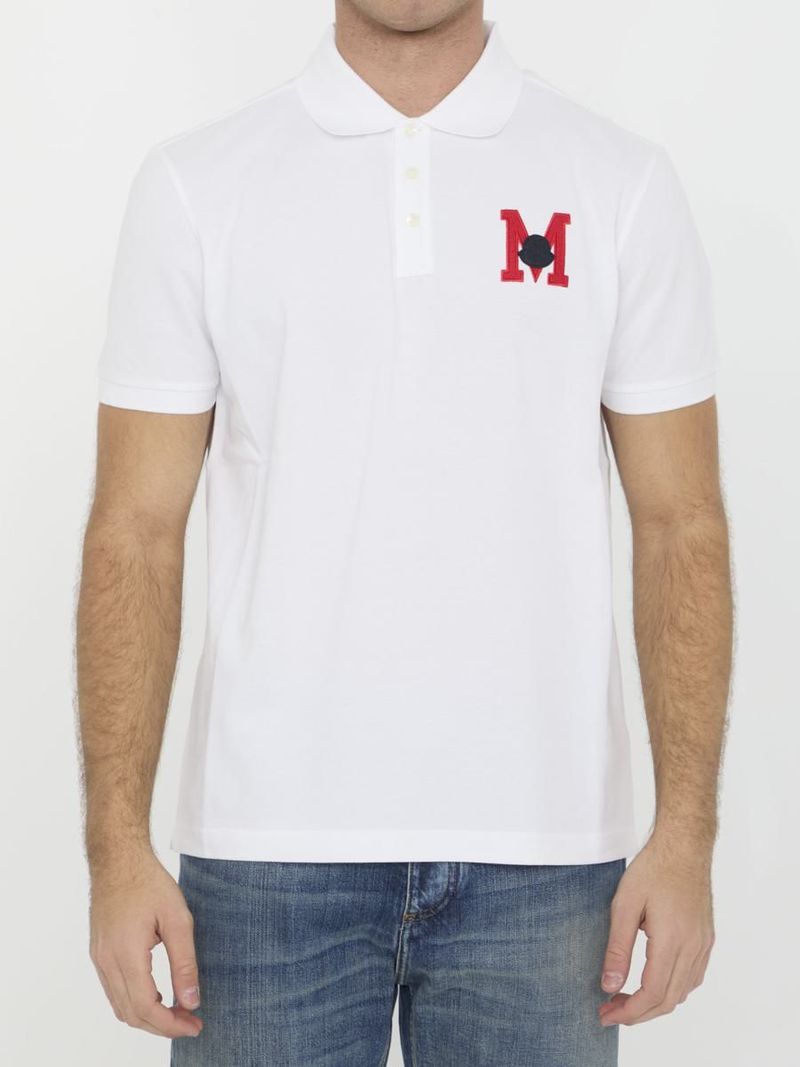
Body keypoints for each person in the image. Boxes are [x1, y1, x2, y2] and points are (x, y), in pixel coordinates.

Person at [75, 1, 733, 1064]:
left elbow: (679, 525)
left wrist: (686, 833)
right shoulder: (197, 184)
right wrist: (116, 849)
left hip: (547, 856)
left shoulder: (619, 182)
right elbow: (135, 532)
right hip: (264, 855)